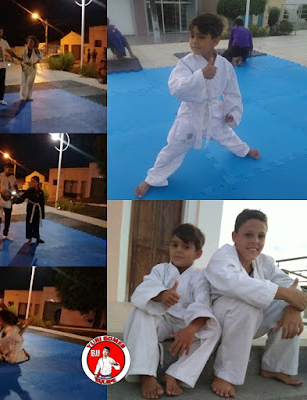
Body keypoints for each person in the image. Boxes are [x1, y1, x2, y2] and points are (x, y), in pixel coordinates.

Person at [135, 13, 260, 199]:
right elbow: (176, 88)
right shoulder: (186, 63)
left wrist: (231, 113)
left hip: (214, 113)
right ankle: (152, 178)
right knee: (173, 148)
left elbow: (232, 92)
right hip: (190, 116)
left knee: (227, 135)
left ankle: (243, 150)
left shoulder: (225, 66)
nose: (194, 41)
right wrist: (200, 75)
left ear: (215, 40)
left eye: (201, 37)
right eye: (192, 36)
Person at [205, 209, 307, 398]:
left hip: (250, 322)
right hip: (220, 321)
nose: (255, 241)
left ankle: (276, 366)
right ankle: (224, 374)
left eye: (261, 236)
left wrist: (293, 308)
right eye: (248, 235)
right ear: (234, 236)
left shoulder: (265, 262)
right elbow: (236, 284)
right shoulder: (223, 256)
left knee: (289, 303)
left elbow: (292, 286)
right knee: (247, 303)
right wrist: (285, 294)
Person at [124, 224, 221, 399]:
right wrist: (161, 295)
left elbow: (203, 306)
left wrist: (191, 329)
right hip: (161, 319)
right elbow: (145, 290)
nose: (179, 250)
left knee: (213, 330)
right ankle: (146, 374)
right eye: (174, 245)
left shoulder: (200, 277)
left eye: (186, 247)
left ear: (198, 254)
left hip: (185, 324)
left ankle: (175, 374)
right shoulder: (160, 270)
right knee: (140, 313)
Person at [0, 27, 23, 108]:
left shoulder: (4, 42)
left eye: (1, 32)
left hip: (2, 66)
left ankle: (1, 99)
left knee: (2, 84)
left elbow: (10, 51)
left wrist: (17, 57)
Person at [14, 176, 45, 244]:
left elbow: (42, 203)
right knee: (29, 223)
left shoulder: (41, 192)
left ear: (38, 182)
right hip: (30, 209)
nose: (31, 183)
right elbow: (22, 198)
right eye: (31, 182)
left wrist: (42, 214)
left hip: (37, 209)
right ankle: (29, 239)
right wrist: (15, 201)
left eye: (33, 182)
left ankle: (37, 237)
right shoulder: (30, 190)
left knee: (36, 224)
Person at [0, 163, 18, 241]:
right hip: (0, 200)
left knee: (8, 218)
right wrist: (1, 196)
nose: (10, 172)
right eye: (9, 170)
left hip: (9, 200)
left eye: (12, 170)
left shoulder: (13, 178)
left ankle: (5, 234)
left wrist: (15, 197)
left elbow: (16, 188)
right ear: (5, 168)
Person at [20, 36, 42, 101]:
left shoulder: (36, 50)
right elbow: (21, 59)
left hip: (33, 67)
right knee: (24, 82)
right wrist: (22, 66)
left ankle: (29, 96)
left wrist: (37, 51)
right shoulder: (24, 50)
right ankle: (23, 96)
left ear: (34, 43)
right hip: (25, 67)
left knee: (30, 82)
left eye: (31, 42)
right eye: (29, 41)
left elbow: (41, 57)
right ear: (27, 42)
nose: (30, 43)